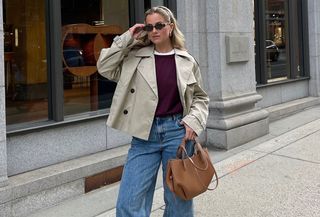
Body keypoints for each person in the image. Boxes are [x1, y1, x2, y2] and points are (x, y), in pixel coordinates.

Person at [97, 6, 209, 217]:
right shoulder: (135, 58)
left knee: (179, 202)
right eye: (149, 26)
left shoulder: (187, 61)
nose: (154, 30)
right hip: (143, 135)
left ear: (171, 27)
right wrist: (127, 36)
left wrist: (193, 121)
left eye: (159, 25)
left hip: (178, 134)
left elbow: (201, 98)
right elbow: (104, 66)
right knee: (128, 203)